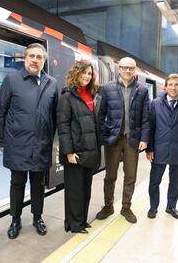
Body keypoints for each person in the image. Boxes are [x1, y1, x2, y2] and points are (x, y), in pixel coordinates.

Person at [0, 43, 59, 239]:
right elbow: (0, 112)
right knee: (17, 182)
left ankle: (37, 217)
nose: (35, 60)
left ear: (44, 61)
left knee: (38, 183)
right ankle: (15, 219)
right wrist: (2, 140)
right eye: (31, 56)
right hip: (17, 143)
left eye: (39, 57)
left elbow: (55, 115)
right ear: (25, 58)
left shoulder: (52, 83)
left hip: (41, 144)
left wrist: (50, 138)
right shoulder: (12, 80)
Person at [96, 57, 150, 223]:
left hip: (132, 140)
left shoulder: (142, 90)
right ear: (119, 69)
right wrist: (104, 135)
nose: (128, 71)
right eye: (125, 68)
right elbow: (100, 114)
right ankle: (108, 206)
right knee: (110, 175)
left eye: (131, 68)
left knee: (131, 176)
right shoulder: (106, 88)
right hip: (113, 139)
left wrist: (144, 138)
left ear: (135, 71)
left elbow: (146, 117)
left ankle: (126, 207)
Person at [57, 61, 100, 234]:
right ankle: (74, 224)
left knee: (85, 189)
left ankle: (81, 220)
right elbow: (63, 125)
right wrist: (68, 152)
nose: (87, 76)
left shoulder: (91, 94)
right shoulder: (67, 96)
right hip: (75, 151)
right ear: (76, 73)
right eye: (84, 73)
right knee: (74, 191)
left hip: (89, 151)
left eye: (89, 74)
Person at [146, 74, 178, 220]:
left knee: (175, 181)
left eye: (176, 85)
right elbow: (151, 127)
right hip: (159, 148)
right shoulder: (155, 103)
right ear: (165, 86)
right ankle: (153, 207)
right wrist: (149, 148)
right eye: (171, 84)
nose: (173, 87)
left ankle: (171, 207)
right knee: (155, 181)